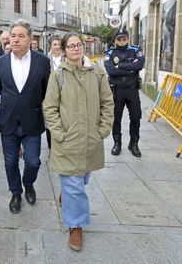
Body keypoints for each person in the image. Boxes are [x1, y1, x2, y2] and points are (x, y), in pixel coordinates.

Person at [43, 32, 114, 251]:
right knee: (75, 184)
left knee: (82, 178)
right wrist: (60, 134)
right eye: (71, 46)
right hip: (67, 141)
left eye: (79, 45)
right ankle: (76, 226)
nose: (76, 49)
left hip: (91, 139)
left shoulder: (98, 72)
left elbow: (108, 103)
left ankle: (68, 195)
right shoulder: (58, 76)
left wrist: (101, 130)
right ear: (63, 50)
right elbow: (50, 108)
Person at [0, 20, 51, 213]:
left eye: (21, 36)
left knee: (33, 161)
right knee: (10, 162)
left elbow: (44, 90)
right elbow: (1, 88)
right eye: (13, 35)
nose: (15, 39)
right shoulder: (0, 63)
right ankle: (16, 193)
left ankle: (29, 183)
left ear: (29, 39)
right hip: (8, 121)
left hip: (32, 120)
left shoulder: (42, 62)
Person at [104, 29, 145, 157]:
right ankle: (117, 143)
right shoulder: (110, 53)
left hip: (132, 89)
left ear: (128, 39)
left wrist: (120, 66)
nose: (122, 42)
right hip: (117, 90)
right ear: (115, 40)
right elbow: (110, 71)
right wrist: (129, 68)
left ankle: (134, 144)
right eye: (119, 40)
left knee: (136, 116)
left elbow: (139, 65)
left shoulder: (136, 50)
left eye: (124, 39)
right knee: (116, 118)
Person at [45, 35, 63, 150]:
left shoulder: (66, 58)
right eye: (54, 44)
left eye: (59, 44)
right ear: (50, 46)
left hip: (65, 95)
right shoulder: (45, 60)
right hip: (49, 95)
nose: (57, 47)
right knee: (50, 122)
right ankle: (52, 148)